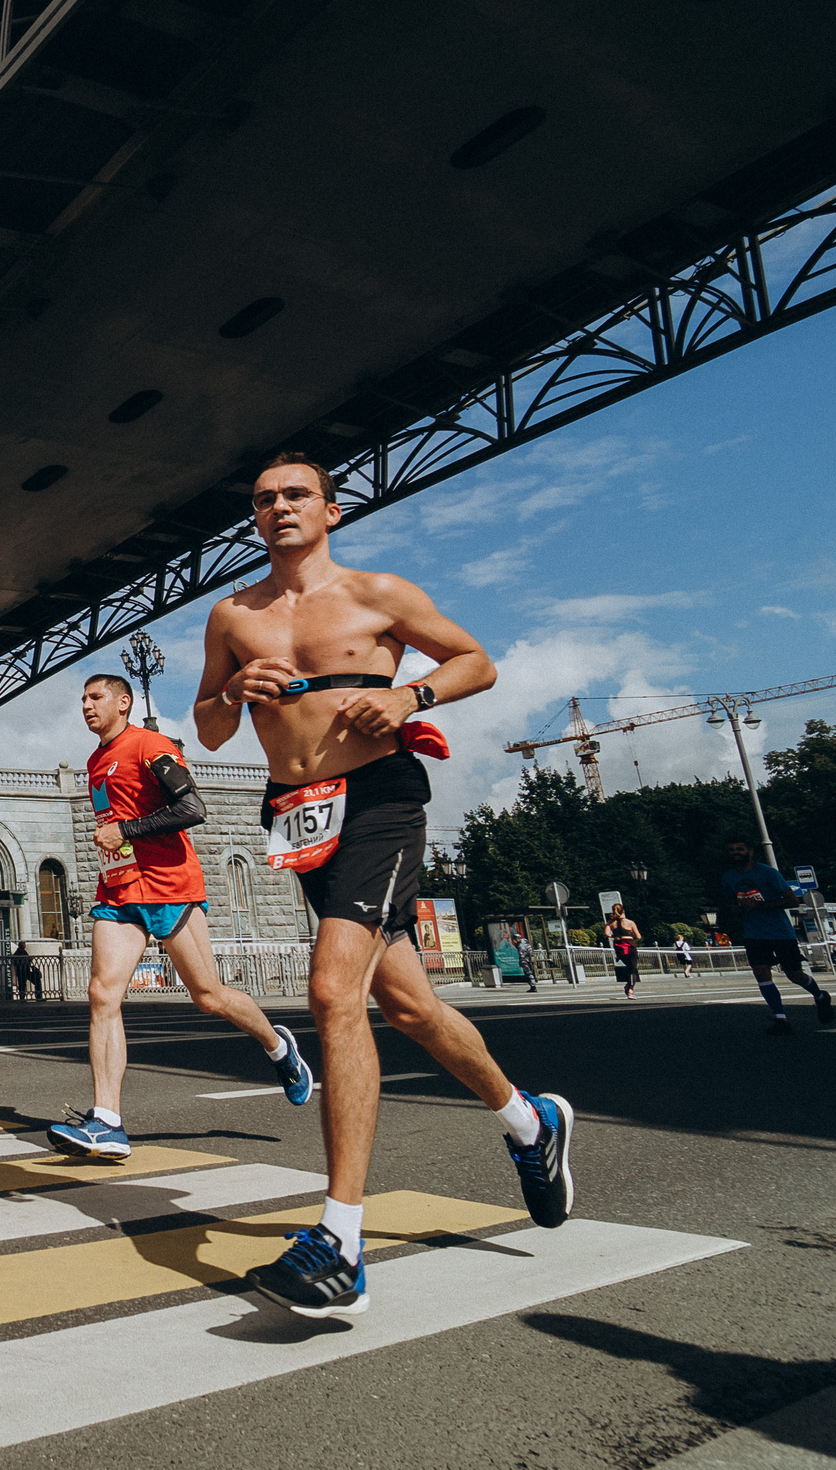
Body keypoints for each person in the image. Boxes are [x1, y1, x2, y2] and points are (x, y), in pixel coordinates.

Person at [190, 452, 568, 1322]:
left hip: (379, 803)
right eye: (262, 500)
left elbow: (478, 661)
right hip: (295, 813)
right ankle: (530, 1123)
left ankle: (340, 1243)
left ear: (329, 507)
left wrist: (412, 697)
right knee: (408, 1008)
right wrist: (234, 690)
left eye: (294, 495)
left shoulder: (377, 593)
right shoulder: (233, 616)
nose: (278, 508)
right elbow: (209, 728)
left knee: (331, 991)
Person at [51, 674, 311, 1164]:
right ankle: (107, 1121)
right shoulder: (94, 760)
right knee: (102, 994)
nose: (85, 705)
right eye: (82, 699)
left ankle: (279, 1047)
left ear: (123, 703)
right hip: (120, 889)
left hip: (169, 886)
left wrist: (125, 828)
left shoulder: (150, 744)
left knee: (209, 997)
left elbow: (193, 808)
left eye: (95, 697)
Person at [722, 840, 834, 1034]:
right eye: (731, 850)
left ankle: (820, 995)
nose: (735, 853)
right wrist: (735, 908)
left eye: (740, 849)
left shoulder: (767, 873)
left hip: (780, 932)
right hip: (754, 934)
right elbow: (731, 901)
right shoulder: (728, 877)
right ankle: (781, 1019)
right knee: (762, 974)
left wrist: (759, 906)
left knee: (794, 975)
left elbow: (791, 900)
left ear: (750, 851)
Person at [606, 903, 642, 998]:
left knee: (628, 967)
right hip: (629, 945)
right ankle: (630, 990)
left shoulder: (610, 923)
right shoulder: (630, 922)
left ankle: (628, 986)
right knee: (633, 969)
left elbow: (607, 934)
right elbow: (638, 936)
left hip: (619, 947)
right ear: (623, 911)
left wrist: (616, 936)